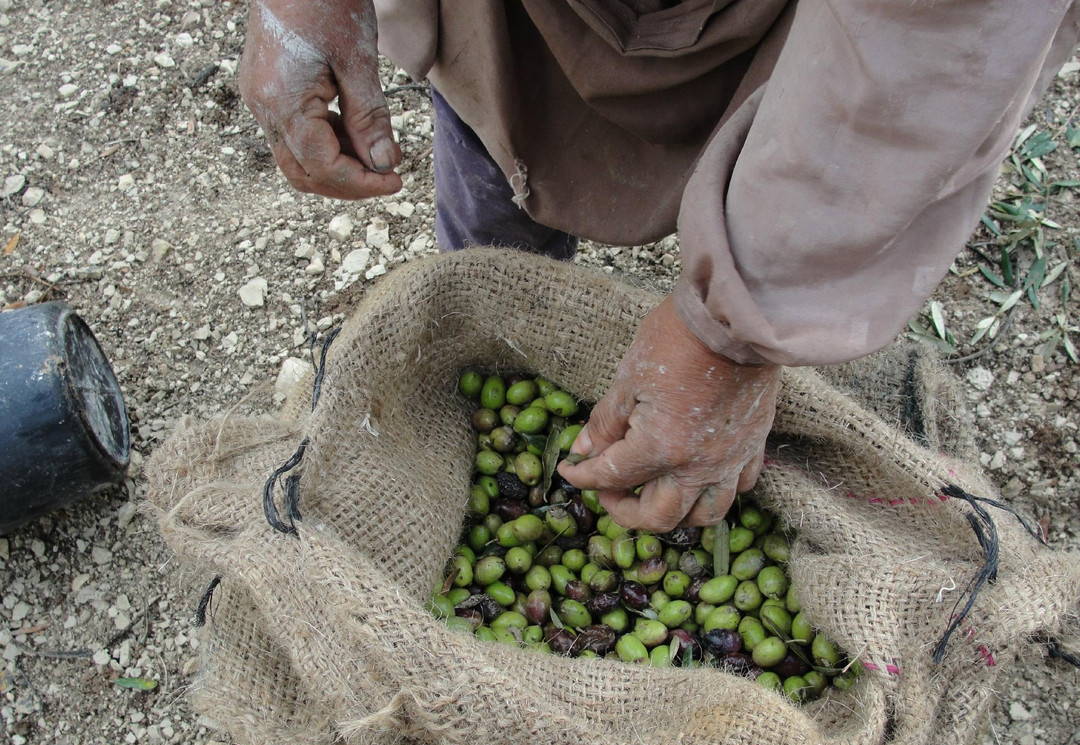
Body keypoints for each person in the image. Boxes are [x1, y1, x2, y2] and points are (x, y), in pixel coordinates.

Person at [238, 0, 1080, 531]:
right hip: (521, 18)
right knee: (494, 196)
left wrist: (735, 331)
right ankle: (507, 336)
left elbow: (934, 43)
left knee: (764, 178)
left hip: (780, 37)